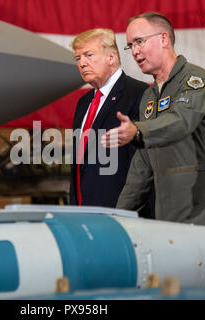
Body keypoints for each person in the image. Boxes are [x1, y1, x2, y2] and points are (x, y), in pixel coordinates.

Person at [101, 12, 205, 228]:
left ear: (163, 39)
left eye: (139, 42)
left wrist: (139, 131)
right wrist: (119, 218)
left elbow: (182, 121)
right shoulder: (149, 97)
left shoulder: (194, 80)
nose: (134, 51)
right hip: (169, 218)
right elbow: (141, 169)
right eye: (130, 46)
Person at [69, 28, 154, 215]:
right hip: (84, 213)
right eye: (78, 59)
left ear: (112, 58)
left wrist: (127, 210)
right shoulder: (84, 103)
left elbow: (143, 164)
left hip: (122, 214)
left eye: (89, 55)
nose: (82, 63)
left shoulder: (140, 94)